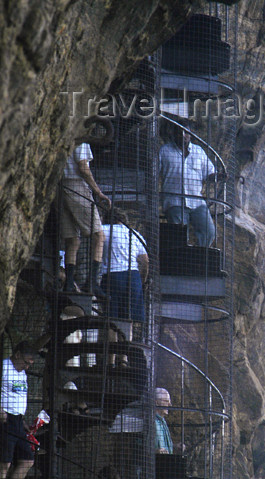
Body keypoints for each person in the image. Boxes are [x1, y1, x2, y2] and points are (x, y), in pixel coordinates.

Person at [60, 142, 111, 296]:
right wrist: (98, 192)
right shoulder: (80, 140)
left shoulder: (63, 139)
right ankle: (93, 283)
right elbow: (83, 167)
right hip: (76, 185)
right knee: (98, 236)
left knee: (73, 240)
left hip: (60, 187)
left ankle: (69, 284)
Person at [101, 215, 148, 366]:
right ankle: (123, 358)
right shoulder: (135, 234)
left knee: (111, 321)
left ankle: (110, 360)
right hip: (133, 278)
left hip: (113, 276)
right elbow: (145, 261)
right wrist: (142, 280)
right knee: (127, 320)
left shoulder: (105, 229)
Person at [159, 123, 217, 247]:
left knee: (209, 231)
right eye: (179, 132)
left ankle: (199, 256)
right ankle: (180, 259)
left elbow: (210, 173)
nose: (183, 135)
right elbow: (154, 172)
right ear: (173, 134)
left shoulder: (198, 151)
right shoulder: (164, 150)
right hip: (174, 200)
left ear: (190, 135)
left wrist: (218, 177)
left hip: (196, 201)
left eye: (186, 132)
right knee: (178, 235)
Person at [0, 342, 36, 479]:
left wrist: (23, 422)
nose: (27, 366)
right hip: (5, 420)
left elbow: (19, 396)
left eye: (31, 364)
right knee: (4, 462)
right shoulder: (4, 367)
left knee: (27, 459)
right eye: (26, 362)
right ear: (17, 355)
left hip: (18, 422)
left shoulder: (22, 373)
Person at [154, 388, 173, 454]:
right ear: (156, 403)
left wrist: (175, 447)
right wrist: (155, 452)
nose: (170, 404)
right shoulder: (150, 421)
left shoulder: (163, 422)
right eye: (166, 401)